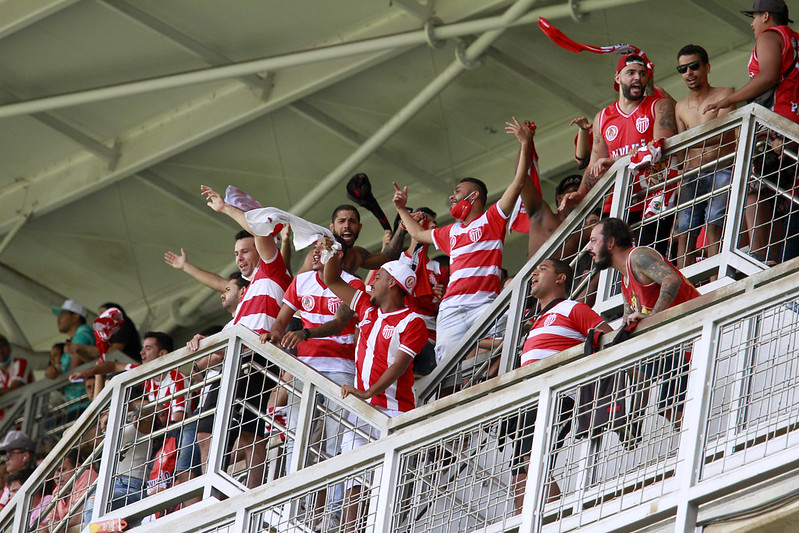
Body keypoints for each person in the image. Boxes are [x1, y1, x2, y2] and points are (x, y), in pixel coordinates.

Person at [393, 117, 534, 364]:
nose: (451, 196)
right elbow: (416, 235)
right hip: (450, 309)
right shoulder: (450, 231)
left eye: (457, 192)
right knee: (446, 367)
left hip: (485, 305)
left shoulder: (493, 218)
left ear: (474, 195)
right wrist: (402, 209)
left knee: (497, 358)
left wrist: (525, 143)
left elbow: (519, 182)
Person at [319, 239, 428, 533]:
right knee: (355, 479)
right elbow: (330, 278)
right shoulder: (366, 308)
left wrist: (368, 392)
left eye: (378, 276)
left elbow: (399, 366)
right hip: (361, 410)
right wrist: (332, 251)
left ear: (393, 284)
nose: (372, 280)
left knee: (383, 483)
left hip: (391, 413)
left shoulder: (412, 321)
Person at [510, 259, 612, 511]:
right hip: (532, 402)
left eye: (542, 269)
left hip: (559, 398)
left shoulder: (572, 308)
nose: (534, 273)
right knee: (520, 471)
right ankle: (529, 522)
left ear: (560, 278)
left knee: (533, 463)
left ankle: (554, 522)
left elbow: (609, 338)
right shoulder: (535, 323)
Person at [586, 217, 700, 428]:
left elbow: (671, 279)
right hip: (677, 346)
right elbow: (626, 325)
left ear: (610, 243)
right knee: (639, 369)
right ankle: (633, 422)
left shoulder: (637, 257)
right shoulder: (624, 280)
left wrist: (653, 316)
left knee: (671, 408)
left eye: (594, 240)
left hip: (694, 337)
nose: (589, 248)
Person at [560, 54, 677, 253]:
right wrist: (580, 194)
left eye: (642, 74)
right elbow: (595, 164)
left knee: (647, 256)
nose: (637, 78)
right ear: (617, 78)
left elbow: (658, 147)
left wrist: (615, 161)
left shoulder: (659, 105)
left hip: (654, 196)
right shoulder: (603, 117)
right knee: (612, 262)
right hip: (616, 201)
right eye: (630, 73)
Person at [673, 44, 736, 268]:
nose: (688, 73)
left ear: (707, 67)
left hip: (722, 167)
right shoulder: (680, 107)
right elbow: (681, 151)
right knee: (684, 233)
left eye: (693, 66)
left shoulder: (725, 94)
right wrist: (680, 178)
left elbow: (724, 133)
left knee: (714, 225)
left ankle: (715, 279)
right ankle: (685, 286)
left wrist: (691, 142)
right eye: (683, 70)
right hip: (692, 174)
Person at [705, 0, 799, 124]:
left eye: (754, 18)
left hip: (780, 117)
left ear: (765, 16)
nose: (752, 24)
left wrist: (728, 100)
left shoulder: (768, 36)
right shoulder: (795, 38)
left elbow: (768, 77)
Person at [72, 332, 189, 423]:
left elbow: (178, 418)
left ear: (162, 354)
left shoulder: (177, 377)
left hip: (174, 437)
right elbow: (113, 366)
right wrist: (86, 373)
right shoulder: (147, 375)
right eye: (143, 348)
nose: (141, 352)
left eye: (148, 348)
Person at [296, 204, 405, 277]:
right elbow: (295, 291)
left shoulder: (357, 254)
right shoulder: (316, 256)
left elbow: (388, 258)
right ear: (332, 227)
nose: (347, 226)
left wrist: (402, 226)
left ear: (359, 227)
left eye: (352, 221)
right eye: (341, 221)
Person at [52, 299, 98, 368]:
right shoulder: (74, 339)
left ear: (75, 316)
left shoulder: (83, 332)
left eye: (62, 314)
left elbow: (74, 368)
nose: (58, 319)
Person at [0, 431, 36, 510]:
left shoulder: (34, 479)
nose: (6, 458)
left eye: (10, 454)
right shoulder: (10, 481)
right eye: (5, 455)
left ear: (25, 456)